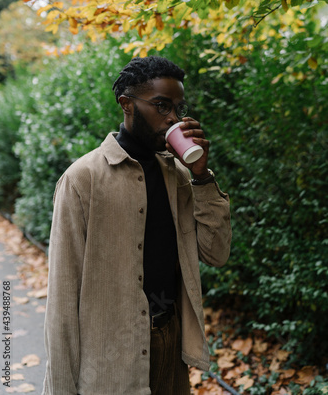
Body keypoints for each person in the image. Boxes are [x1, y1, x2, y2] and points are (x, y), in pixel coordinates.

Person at [42, 55, 232, 395]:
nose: (173, 118)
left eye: (177, 107)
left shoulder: (179, 176)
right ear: (127, 104)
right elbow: (62, 301)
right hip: (109, 362)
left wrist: (202, 175)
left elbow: (215, 253)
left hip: (170, 348)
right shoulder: (82, 180)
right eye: (161, 106)